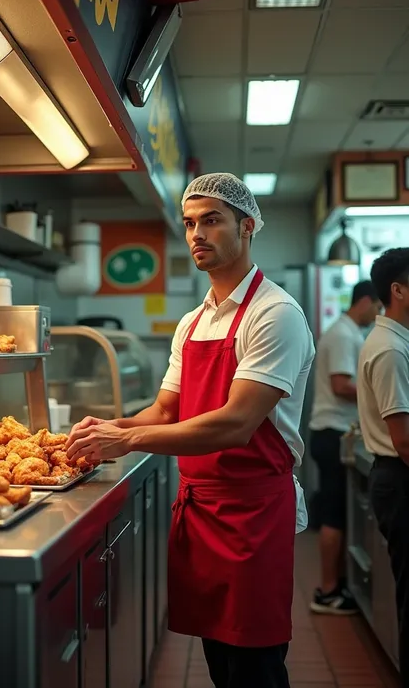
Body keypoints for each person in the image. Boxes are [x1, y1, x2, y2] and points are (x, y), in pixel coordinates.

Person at [66, 173, 315, 688]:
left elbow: (236, 423)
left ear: (247, 227)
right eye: (189, 223)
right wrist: (106, 427)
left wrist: (125, 440)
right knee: (220, 662)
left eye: (212, 220)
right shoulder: (192, 322)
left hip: (253, 515)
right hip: (201, 511)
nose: (196, 233)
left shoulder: (275, 315)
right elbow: (163, 411)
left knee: (256, 666)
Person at [309, 281, 381, 615]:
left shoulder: (347, 332)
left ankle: (335, 583)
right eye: (377, 306)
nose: (378, 313)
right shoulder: (343, 335)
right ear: (365, 301)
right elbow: (341, 386)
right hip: (333, 433)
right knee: (334, 514)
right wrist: (380, 390)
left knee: (335, 511)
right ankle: (327, 591)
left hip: (334, 432)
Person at [357, 248, 409, 687]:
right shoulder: (390, 350)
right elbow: (405, 440)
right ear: (398, 290)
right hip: (400, 479)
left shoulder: (395, 341)